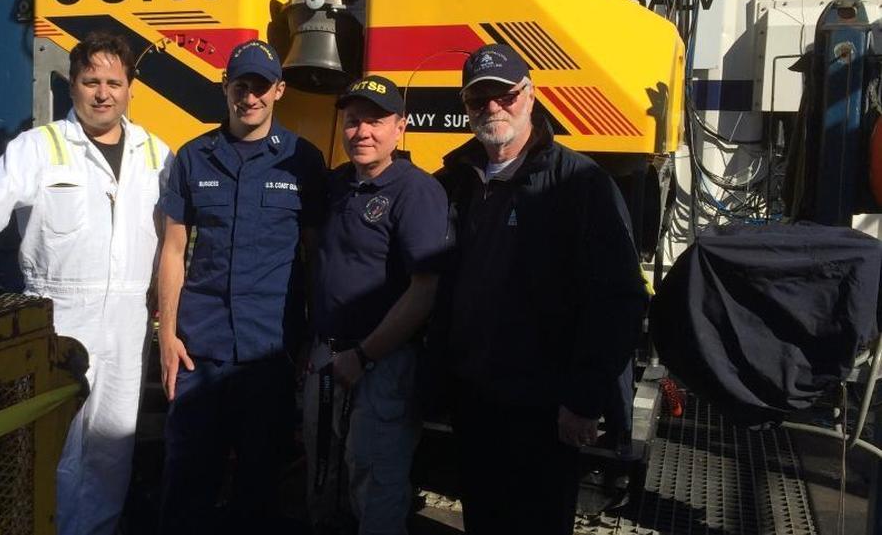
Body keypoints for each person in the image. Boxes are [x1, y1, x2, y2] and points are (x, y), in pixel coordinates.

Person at [0, 32, 172, 535]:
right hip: (59, 317)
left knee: (114, 448)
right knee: (54, 444)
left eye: (114, 81)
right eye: (91, 81)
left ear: (131, 88)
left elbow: (178, 239)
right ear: (73, 85)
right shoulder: (38, 148)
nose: (103, 92)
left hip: (131, 323)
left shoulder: (157, 155)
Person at [434, 43, 647, 534]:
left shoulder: (580, 183)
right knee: (483, 520)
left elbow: (618, 297)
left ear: (530, 96)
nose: (493, 108)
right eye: (478, 100)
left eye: (505, 95)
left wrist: (584, 398)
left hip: (545, 408)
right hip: (474, 398)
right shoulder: (455, 181)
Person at [155, 39, 326, 534]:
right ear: (226, 88)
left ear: (279, 91)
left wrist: (313, 338)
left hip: (270, 353)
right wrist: (167, 335)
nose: (249, 97)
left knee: (259, 487)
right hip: (198, 350)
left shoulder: (303, 161)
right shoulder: (193, 158)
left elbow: (315, 257)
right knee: (187, 481)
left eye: (260, 87)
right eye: (240, 85)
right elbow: (171, 250)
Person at [303, 76, 448, 535]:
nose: (362, 132)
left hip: (381, 365)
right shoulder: (336, 185)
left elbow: (424, 291)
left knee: (374, 480)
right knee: (322, 473)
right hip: (326, 357)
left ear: (400, 128)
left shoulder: (416, 192)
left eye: (375, 122)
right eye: (352, 121)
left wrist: (364, 356)